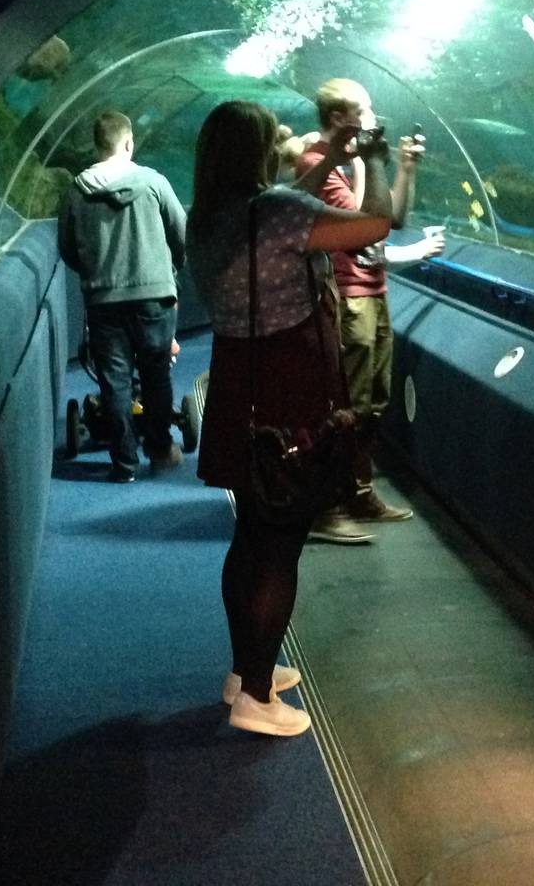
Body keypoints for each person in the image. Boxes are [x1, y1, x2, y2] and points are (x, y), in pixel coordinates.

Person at [186, 99, 392, 737]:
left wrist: (331, 159)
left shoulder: (209, 217)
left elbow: (286, 201)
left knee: (251, 533)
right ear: (257, 152)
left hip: (240, 385)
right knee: (281, 545)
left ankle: (245, 669)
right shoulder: (275, 210)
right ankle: (255, 696)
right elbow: (375, 225)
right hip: (290, 384)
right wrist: (376, 161)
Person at [292, 77, 440, 543]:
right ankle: (326, 504)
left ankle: (358, 491)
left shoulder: (346, 163)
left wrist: (406, 170)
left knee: (374, 403)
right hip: (346, 295)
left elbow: (392, 219)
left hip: (374, 290)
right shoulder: (316, 163)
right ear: (339, 118)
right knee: (345, 406)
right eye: (365, 110)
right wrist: (362, 163)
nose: (374, 118)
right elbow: (364, 229)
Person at [58, 110, 187, 483]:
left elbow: (67, 248)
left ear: (97, 145)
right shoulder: (154, 182)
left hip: (103, 299)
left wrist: (93, 272)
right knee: (156, 375)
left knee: (114, 381)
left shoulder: (76, 191)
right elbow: (180, 231)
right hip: (154, 295)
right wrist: (171, 270)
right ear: (129, 142)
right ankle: (160, 451)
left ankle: (124, 464)